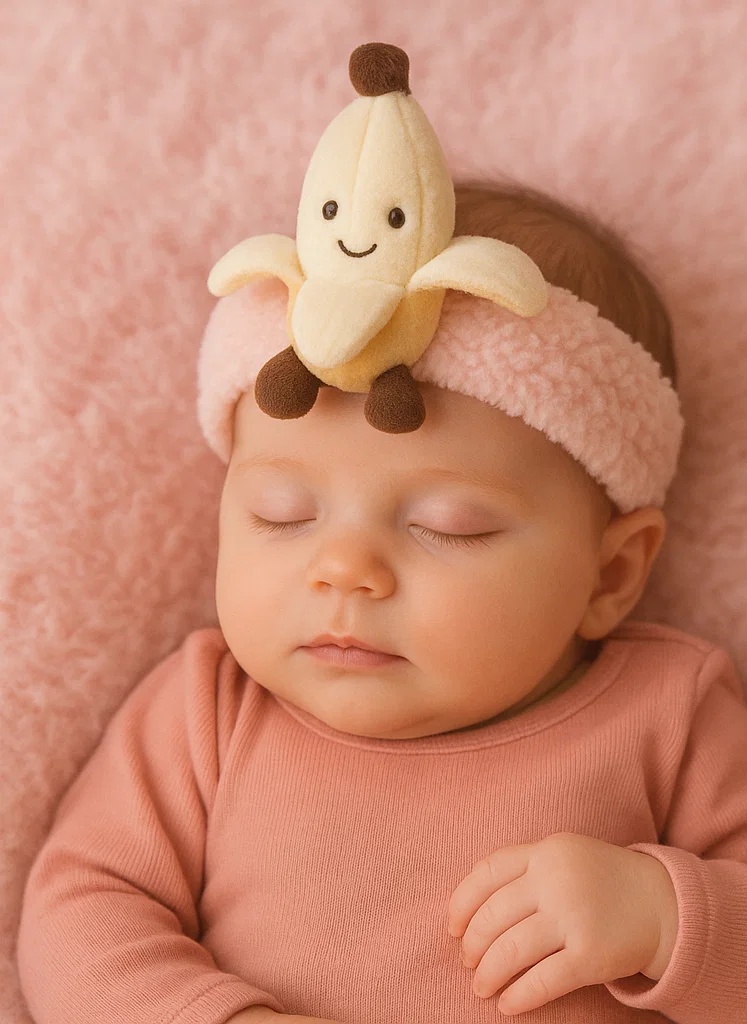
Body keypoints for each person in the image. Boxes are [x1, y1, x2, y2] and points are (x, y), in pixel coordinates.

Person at [15, 179, 747, 1024]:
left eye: (449, 525)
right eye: (280, 515)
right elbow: (80, 907)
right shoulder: (207, 712)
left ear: (611, 575)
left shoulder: (669, 713)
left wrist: (666, 917)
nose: (344, 570)